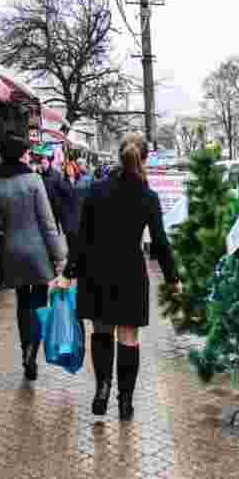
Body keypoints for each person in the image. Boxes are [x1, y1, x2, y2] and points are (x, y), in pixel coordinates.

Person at [64, 132, 181, 420]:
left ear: (119, 156)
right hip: (129, 273)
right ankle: (125, 403)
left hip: (96, 271)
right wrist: (173, 278)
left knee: (101, 331)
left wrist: (69, 273)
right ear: (145, 159)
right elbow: (160, 243)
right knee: (128, 338)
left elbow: (81, 236)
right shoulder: (148, 197)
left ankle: (102, 388)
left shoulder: (96, 189)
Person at [0, 136, 67, 380]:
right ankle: (32, 350)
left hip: (12, 252)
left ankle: (25, 350)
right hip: (38, 252)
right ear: (21, 154)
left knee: (22, 303)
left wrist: (5, 238)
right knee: (39, 302)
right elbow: (47, 222)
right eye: (27, 153)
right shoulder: (33, 180)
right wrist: (59, 256)